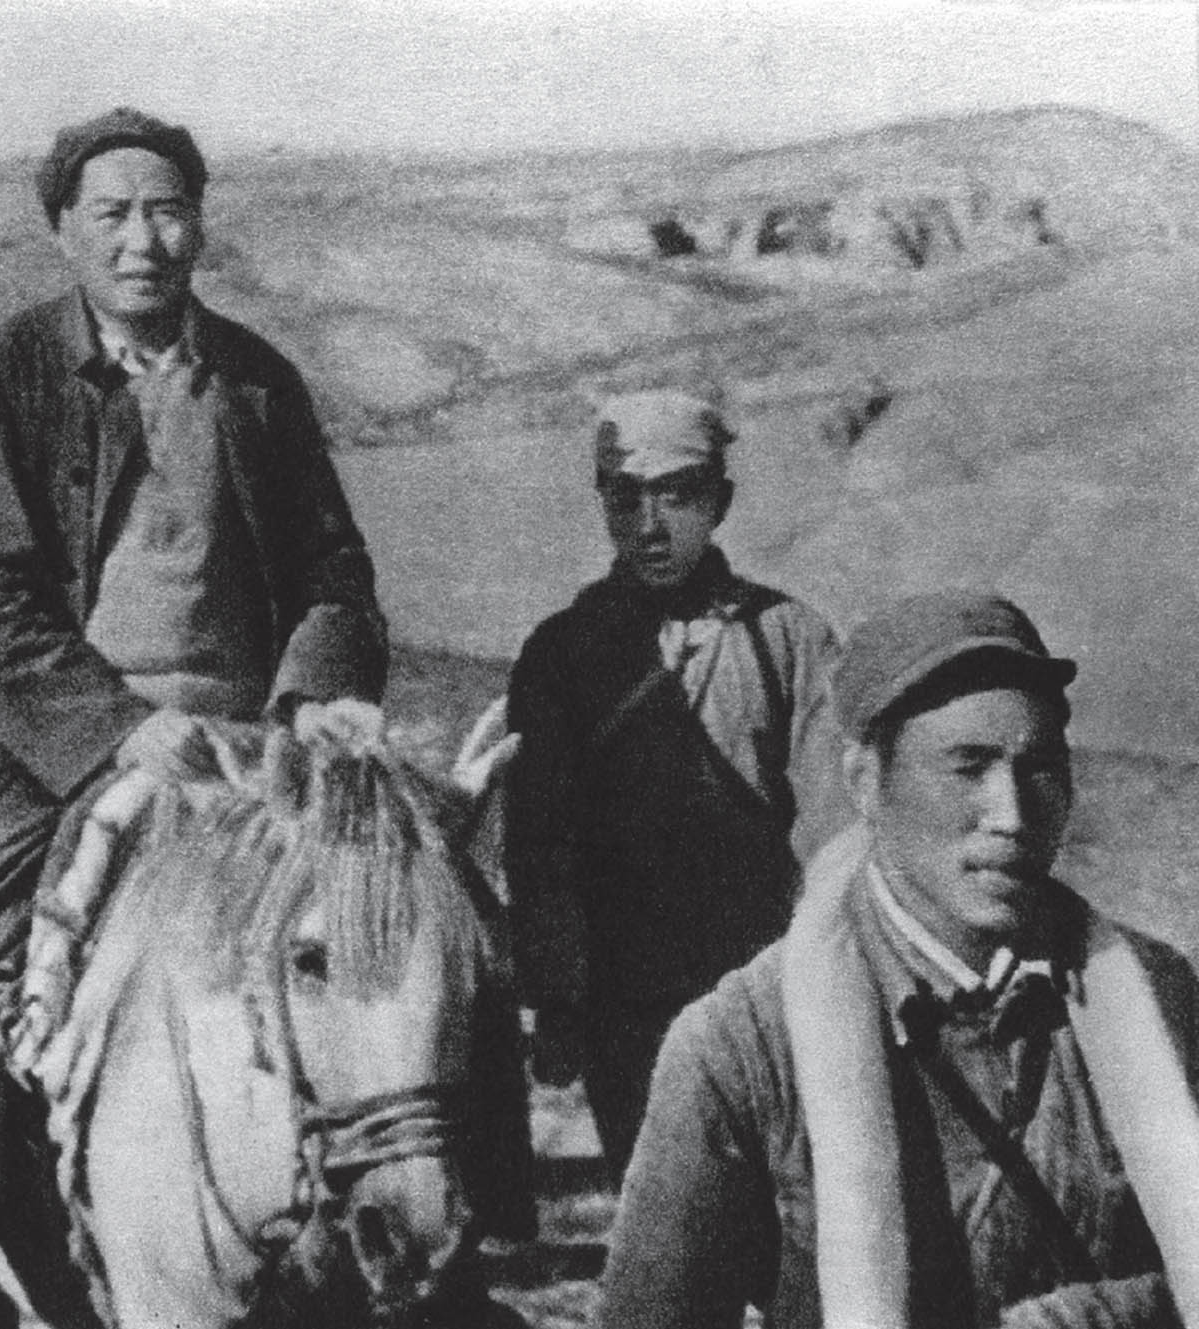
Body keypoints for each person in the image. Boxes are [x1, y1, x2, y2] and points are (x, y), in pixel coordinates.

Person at [0, 107, 393, 1329]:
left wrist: (311, 699)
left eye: (165, 210)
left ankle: (426, 1239)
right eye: (110, 215)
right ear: (63, 233)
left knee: (410, 931)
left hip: (248, 731)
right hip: (56, 739)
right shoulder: (6, 373)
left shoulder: (258, 381)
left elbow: (332, 568)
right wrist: (109, 728)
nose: (142, 241)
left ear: (199, 225)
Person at [599, 591, 1198, 1329]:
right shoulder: (740, 1046)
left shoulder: (1159, 999)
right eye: (967, 766)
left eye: (1039, 766)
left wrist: (1095, 1320)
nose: (1011, 814)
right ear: (865, 784)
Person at [503, 390, 844, 1178]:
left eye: (679, 495)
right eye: (626, 498)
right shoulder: (562, 653)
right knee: (663, 1208)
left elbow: (834, 826)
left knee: (787, 1204)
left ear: (720, 501)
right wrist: (557, 999)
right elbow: (540, 844)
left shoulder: (789, 638)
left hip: (760, 988)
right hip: (625, 1003)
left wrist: (828, 976)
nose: (650, 525)